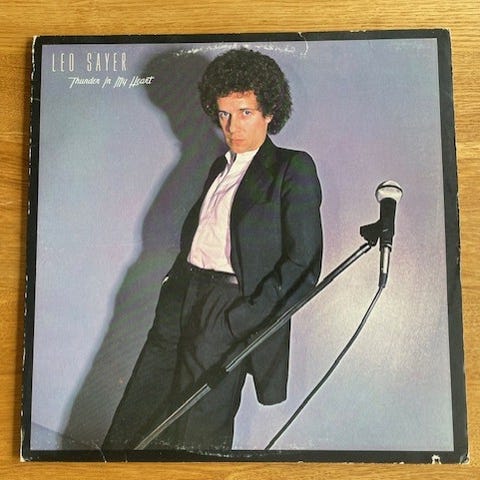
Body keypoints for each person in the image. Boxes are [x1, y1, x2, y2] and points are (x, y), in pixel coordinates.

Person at [102, 48, 322, 452]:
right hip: (181, 298)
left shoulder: (292, 168)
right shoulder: (218, 168)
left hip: (227, 308)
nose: (232, 126)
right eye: (224, 114)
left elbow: (303, 265)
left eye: (244, 112)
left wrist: (241, 319)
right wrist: (173, 289)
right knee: (137, 414)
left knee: (196, 430)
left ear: (270, 112)